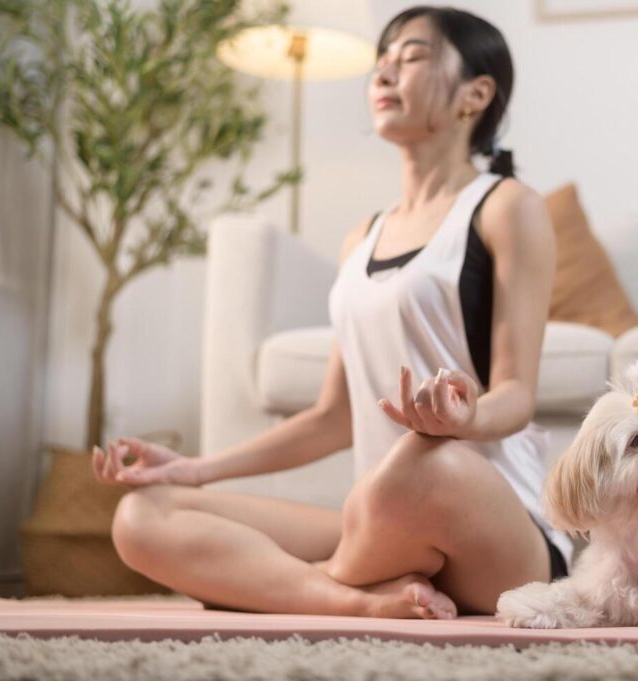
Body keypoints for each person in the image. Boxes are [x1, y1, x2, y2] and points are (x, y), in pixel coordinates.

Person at [90, 5, 571, 619]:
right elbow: (330, 416)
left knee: (427, 460)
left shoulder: (506, 207)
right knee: (143, 515)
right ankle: (356, 601)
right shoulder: (361, 238)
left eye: (414, 56)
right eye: (382, 63)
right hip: (377, 519)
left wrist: (464, 416)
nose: (386, 73)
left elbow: (516, 394)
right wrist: (196, 469)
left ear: (475, 94)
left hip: (488, 522)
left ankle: (289, 586)